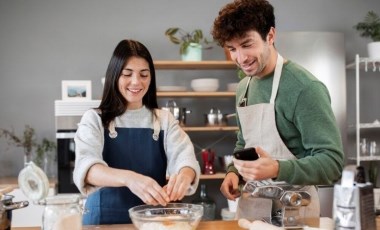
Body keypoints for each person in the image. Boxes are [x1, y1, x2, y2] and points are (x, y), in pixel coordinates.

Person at [211, 0, 344, 224]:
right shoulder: (244, 87)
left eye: (247, 44)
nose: (241, 58)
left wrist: (276, 168)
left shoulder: (304, 88)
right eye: (232, 49)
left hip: (296, 213)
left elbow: (332, 163)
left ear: (270, 36)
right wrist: (233, 172)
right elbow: (244, 144)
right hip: (253, 214)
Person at [73, 39, 200, 225]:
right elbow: (87, 168)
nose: (136, 82)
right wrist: (130, 179)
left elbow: (185, 158)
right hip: (103, 222)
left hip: (152, 222)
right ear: (114, 75)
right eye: (127, 74)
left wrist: (184, 175)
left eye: (144, 74)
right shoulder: (94, 119)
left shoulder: (163, 119)